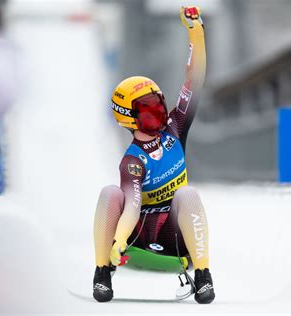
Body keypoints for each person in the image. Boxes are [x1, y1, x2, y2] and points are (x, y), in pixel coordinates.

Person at [92, 6, 215, 304]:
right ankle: (102, 272)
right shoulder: (132, 160)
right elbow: (131, 206)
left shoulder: (176, 127)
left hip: (173, 235)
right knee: (111, 193)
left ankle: (203, 275)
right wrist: (118, 242)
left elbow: (193, 80)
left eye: (158, 104)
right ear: (130, 118)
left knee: (188, 195)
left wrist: (195, 30)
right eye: (147, 109)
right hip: (136, 239)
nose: (158, 113)